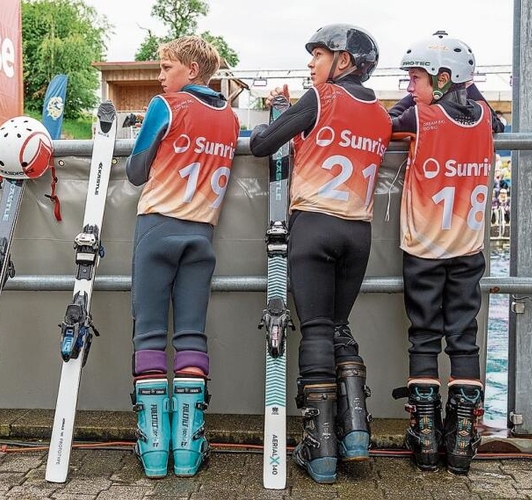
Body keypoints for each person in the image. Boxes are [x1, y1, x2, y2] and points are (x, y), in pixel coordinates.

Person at [250, 24, 392, 484]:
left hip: (314, 224)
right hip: (359, 233)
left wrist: (281, 116)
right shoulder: (384, 116)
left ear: (344, 61)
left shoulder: (321, 97)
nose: (311, 62)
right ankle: (354, 435)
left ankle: (321, 449)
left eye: (318, 54)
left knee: (314, 327)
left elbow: (261, 144)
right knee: (338, 326)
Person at [389, 31, 504, 475]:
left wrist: (417, 102)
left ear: (442, 78)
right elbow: (479, 109)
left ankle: (425, 436)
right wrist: (460, 86)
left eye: (415, 78)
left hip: (424, 248)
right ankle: (461, 438)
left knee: (423, 335)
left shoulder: (421, 118)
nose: (409, 88)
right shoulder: (486, 119)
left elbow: (389, 122)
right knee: (463, 337)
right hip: (469, 247)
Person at [125, 35, 240, 479]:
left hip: (157, 228)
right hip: (201, 235)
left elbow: (136, 172)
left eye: (166, 66)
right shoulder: (229, 117)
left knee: (150, 335)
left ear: (191, 70)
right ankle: (189, 453)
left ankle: (155, 452)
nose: (160, 76)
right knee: (192, 333)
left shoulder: (166, 105)